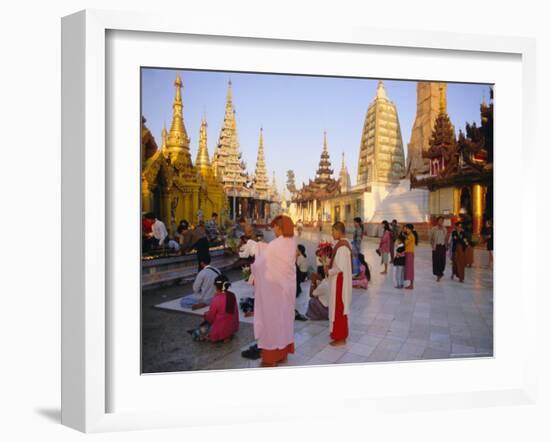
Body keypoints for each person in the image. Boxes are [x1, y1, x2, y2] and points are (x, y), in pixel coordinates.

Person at [249, 215, 297, 367]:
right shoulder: (292, 242)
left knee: (272, 321)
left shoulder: (276, 244)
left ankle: (270, 358)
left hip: (275, 290)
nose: (273, 229)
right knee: (284, 321)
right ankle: (283, 354)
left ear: (280, 227)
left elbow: (261, 263)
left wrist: (257, 248)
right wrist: (263, 247)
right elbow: (273, 255)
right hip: (287, 289)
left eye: (275, 226)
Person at [325, 222, 353, 346]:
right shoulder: (342, 244)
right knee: (338, 308)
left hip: (339, 283)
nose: (332, 233)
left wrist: (328, 271)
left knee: (339, 308)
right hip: (338, 281)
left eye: (333, 231)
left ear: (339, 231)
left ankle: (340, 337)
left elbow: (339, 267)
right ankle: (337, 334)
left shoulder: (342, 247)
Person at [188, 274, 239, 342]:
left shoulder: (216, 299)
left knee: (201, 328)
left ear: (216, 286)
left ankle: (207, 336)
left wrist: (206, 316)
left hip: (220, 330)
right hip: (233, 327)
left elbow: (210, 318)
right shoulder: (232, 295)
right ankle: (228, 335)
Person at [429, 216, 449, 281]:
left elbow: (446, 238)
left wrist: (447, 246)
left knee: (442, 261)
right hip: (436, 247)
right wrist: (432, 245)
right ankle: (438, 274)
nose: (441, 222)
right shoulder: (433, 229)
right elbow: (430, 238)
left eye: (442, 221)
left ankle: (441, 272)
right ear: (437, 221)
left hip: (443, 247)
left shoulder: (445, 229)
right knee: (436, 261)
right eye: (440, 220)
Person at [403, 223, 418, 290]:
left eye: (407, 228)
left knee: (410, 269)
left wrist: (402, 237)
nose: (406, 230)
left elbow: (405, 243)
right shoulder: (409, 235)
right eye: (406, 228)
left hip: (409, 254)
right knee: (408, 269)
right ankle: (410, 284)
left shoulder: (410, 236)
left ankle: (411, 285)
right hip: (408, 253)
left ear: (411, 229)